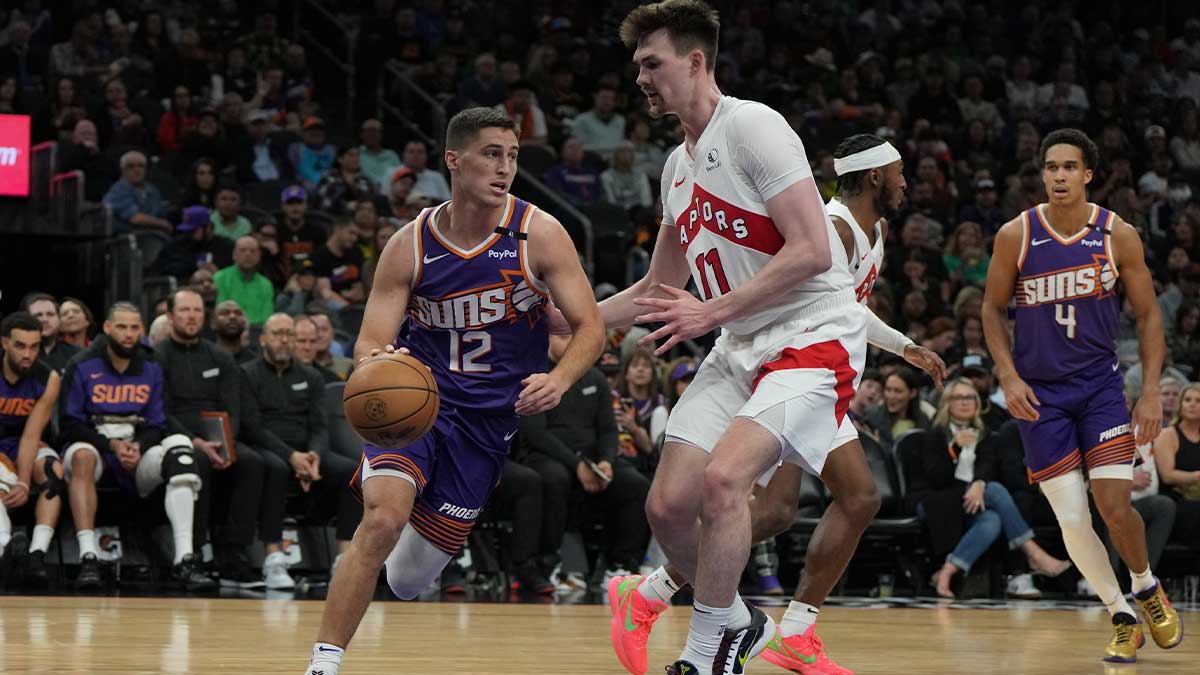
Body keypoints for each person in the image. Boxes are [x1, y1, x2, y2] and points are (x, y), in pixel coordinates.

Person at [576, 3, 874, 673]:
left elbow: (811, 250)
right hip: (740, 343)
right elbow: (658, 290)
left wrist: (711, 312)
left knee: (725, 479)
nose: (641, 79)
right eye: (637, 68)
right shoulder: (675, 170)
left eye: (651, 64)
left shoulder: (755, 126)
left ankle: (708, 653)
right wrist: (570, 316)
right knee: (667, 504)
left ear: (695, 61)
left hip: (812, 334)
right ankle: (738, 622)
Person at [607, 131, 947, 675]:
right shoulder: (833, 229)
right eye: (901, 172)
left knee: (790, 510)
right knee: (830, 498)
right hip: (789, 359)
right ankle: (736, 620)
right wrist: (901, 345)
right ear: (876, 176)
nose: (909, 182)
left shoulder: (874, 229)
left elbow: (845, 306)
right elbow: (815, 300)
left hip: (813, 356)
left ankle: (668, 595)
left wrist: (903, 346)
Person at [302, 107, 604, 675]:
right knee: (382, 521)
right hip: (417, 407)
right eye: (492, 154)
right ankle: (324, 661)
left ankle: (411, 536)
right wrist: (379, 364)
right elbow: (368, 343)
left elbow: (591, 328)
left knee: (410, 580)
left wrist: (559, 379)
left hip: (487, 425)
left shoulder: (538, 234)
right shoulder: (408, 244)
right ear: (454, 160)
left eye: (512, 157)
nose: (505, 168)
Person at [982, 128, 1183, 663]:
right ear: (1042, 174)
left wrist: (1146, 394)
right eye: (1051, 167)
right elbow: (990, 311)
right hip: (1039, 395)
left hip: (1099, 388)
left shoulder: (1118, 235)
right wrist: (1006, 375)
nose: (1060, 176)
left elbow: (1148, 317)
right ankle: (1121, 613)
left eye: (1070, 166)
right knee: (1072, 517)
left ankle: (1145, 584)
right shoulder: (1015, 234)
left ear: (1088, 174)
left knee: (1115, 508)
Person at [59, 302, 215, 592]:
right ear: (107, 328)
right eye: (121, 327)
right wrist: (111, 445)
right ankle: (88, 557)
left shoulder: (152, 368)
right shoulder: (81, 365)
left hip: (138, 452)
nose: (128, 334)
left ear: (142, 330)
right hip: (95, 450)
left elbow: (157, 422)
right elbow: (70, 423)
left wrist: (139, 446)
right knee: (81, 456)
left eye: (134, 328)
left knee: (181, 449)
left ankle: (185, 558)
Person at [154, 288, 282, 586]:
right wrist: (196, 441)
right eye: (184, 310)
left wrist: (225, 445)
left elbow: (233, 409)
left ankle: (234, 553)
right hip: (177, 437)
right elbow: (161, 411)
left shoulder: (220, 358)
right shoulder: (157, 357)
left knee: (252, 462)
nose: (191, 316)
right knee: (196, 458)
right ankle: (195, 552)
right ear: (171, 316)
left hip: (219, 436)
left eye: (197, 311)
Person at [908, 379, 1071, 599]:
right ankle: (1033, 552)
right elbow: (937, 478)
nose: (964, 402)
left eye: (969, 397)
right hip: (936, 501)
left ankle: (947, 571)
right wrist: (954, 448)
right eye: (958, 398)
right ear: (947, 403)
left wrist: (978, 484)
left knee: (992, 520)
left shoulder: (986, 435)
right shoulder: (934, 435)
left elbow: (989, 468)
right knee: (993, 489)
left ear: (977, 402)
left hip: (971, 501)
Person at [519, 334, 649, 590]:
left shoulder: (595, 377)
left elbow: (609, 429)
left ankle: (621, 565)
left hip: (592, 458)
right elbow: (536, 433)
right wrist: (576, 464)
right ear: (547, 339)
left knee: (636, 484)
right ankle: (549, 564)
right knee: (555, 478)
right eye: (562, 336)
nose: (569, 342)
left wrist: (606, 461)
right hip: (547, 455)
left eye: (573, 335)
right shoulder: (534, 375)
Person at [242, 313, 363, 582]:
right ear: (263, 339)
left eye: (288, 334)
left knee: (351, 472)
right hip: (270, 449)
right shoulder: (248, 374)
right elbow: (253, 427)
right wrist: (292, 457)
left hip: (308, 452)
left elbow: (320, 426)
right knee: (275, 468)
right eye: (277, 334)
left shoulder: (311, 377)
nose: (283, 340)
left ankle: (345, 558)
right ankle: (273, 556)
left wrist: (314, 457)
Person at [0, 313, 65, 586]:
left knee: (54, 472)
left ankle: (36, 554)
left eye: (34, 346)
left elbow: (31, 435)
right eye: (20, 346)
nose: (28, 354)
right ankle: (4, 547)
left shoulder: (48, 378)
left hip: (22, 442)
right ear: (4, 343)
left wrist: (25, 482)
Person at [1152, 381, 1200, 548]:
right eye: (1187, 400)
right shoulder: (1168, 435)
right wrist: (1197, 477)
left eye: (1198, 400)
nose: (1192, 404)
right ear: (1180, 405)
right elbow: (1168, 475)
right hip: (1175, 502)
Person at [103, 151, 171, 234]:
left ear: (146, 170)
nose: (137, 169)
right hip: (125, 239)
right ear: (122, 170)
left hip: (153, 235)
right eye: (130, 166)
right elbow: (135, 218)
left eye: (141, 166)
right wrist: (163, 223)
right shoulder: (118, 190)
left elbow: (162, 212)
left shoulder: (152, 189)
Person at [214, 236, 275, 326]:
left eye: (252, 251)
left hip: (258, 333)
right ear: (234, 255)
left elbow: (267, 319)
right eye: (242, 250)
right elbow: (221, 313)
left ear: (259, 256)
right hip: (228, 330)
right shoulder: (220, 278)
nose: (248, 254)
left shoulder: (266, 284)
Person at [312, 219, 366, 310]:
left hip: (355, 305)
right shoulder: (320, 255)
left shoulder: (356, 253)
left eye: (356, 235)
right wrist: (348, 308)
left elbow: (359, 291)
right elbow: (325, 292)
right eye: (351, 233)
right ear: (337, 230)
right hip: (330, 308)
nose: (355, 238)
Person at [22, 293, 80, 374]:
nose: (45, 319)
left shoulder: (77, 355)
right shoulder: (16, 355)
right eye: (38, 315)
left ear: (59, 319)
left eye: (50, 314)